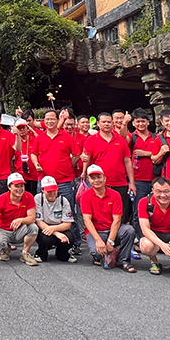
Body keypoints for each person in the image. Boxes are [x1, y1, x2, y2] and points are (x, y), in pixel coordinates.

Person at [31, 109, 80, 252]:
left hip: (64, 181)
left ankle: (75, 243)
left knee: (69, 212)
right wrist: (36, 163)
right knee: (41, 211)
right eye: (47, 119)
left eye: (52, 119)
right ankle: (45, 240)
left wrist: (68, 165)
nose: (49, 121)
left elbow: (77, 154)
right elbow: (33, 154)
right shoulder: (40, 137)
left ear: (58, 120)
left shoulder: (67, 137)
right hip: (44, 181)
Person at [81, 112, 135, 223]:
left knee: (121, 215)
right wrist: (83, 172)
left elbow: (127, 161)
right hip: (99, 184)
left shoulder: (120, 140)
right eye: (104, 122)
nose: (106, 124)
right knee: (101, 215)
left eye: (109, 122)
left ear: (113, 124)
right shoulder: (91, 140)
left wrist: (132, 183)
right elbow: (86, 158)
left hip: (120, 182)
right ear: (98, 123)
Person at [80, 164, 135, 272]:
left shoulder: (115, 195)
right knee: (96, 252)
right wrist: (98, 241)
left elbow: (117, 220)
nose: (96, 180)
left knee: (129, 230)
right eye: (93, 178)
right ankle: (110, 254)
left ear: (104, 178)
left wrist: (110, 241)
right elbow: (87, 220)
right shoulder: (85, 196)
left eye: (99, 177)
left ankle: (123, 260)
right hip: (97, 231)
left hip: (113, 229)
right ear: (89, 180)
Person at [0, 172, 39, 265]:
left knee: (33, 227)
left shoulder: (29, 196)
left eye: (21, 186)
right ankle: (5, 249)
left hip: (20, 230)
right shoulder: (1, 199)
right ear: (9, 187)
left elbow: (32, 218)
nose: (20, 189)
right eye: (16, 186)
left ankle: (25, 253)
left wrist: (21, 220)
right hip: (3, 229)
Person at [127, 109, 164, 238]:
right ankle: (140, 238)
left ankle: (155, 237)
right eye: (137, 121)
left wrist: (146, 153)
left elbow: (162, 153)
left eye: (143, 121)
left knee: (156, 210)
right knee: (138, 210)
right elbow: (122, 139)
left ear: (148, 122)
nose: (141, 124)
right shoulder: (132, 137)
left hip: (155, 179)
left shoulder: (156, 137)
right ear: (133, 123)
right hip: (138, 180)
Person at [34, 175, 76, 263]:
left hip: (59, 226)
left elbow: (67, 224)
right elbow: (39, 221)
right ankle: (41, 254)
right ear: (42, 190)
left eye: (54, 190)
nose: (52, 193)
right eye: (49, 191)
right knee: (46, 239)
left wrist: (54, 229)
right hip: (44, 227)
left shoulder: (63, 200)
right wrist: (56, 233)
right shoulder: (38, 198)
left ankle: (63, 254)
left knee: (70, 237)